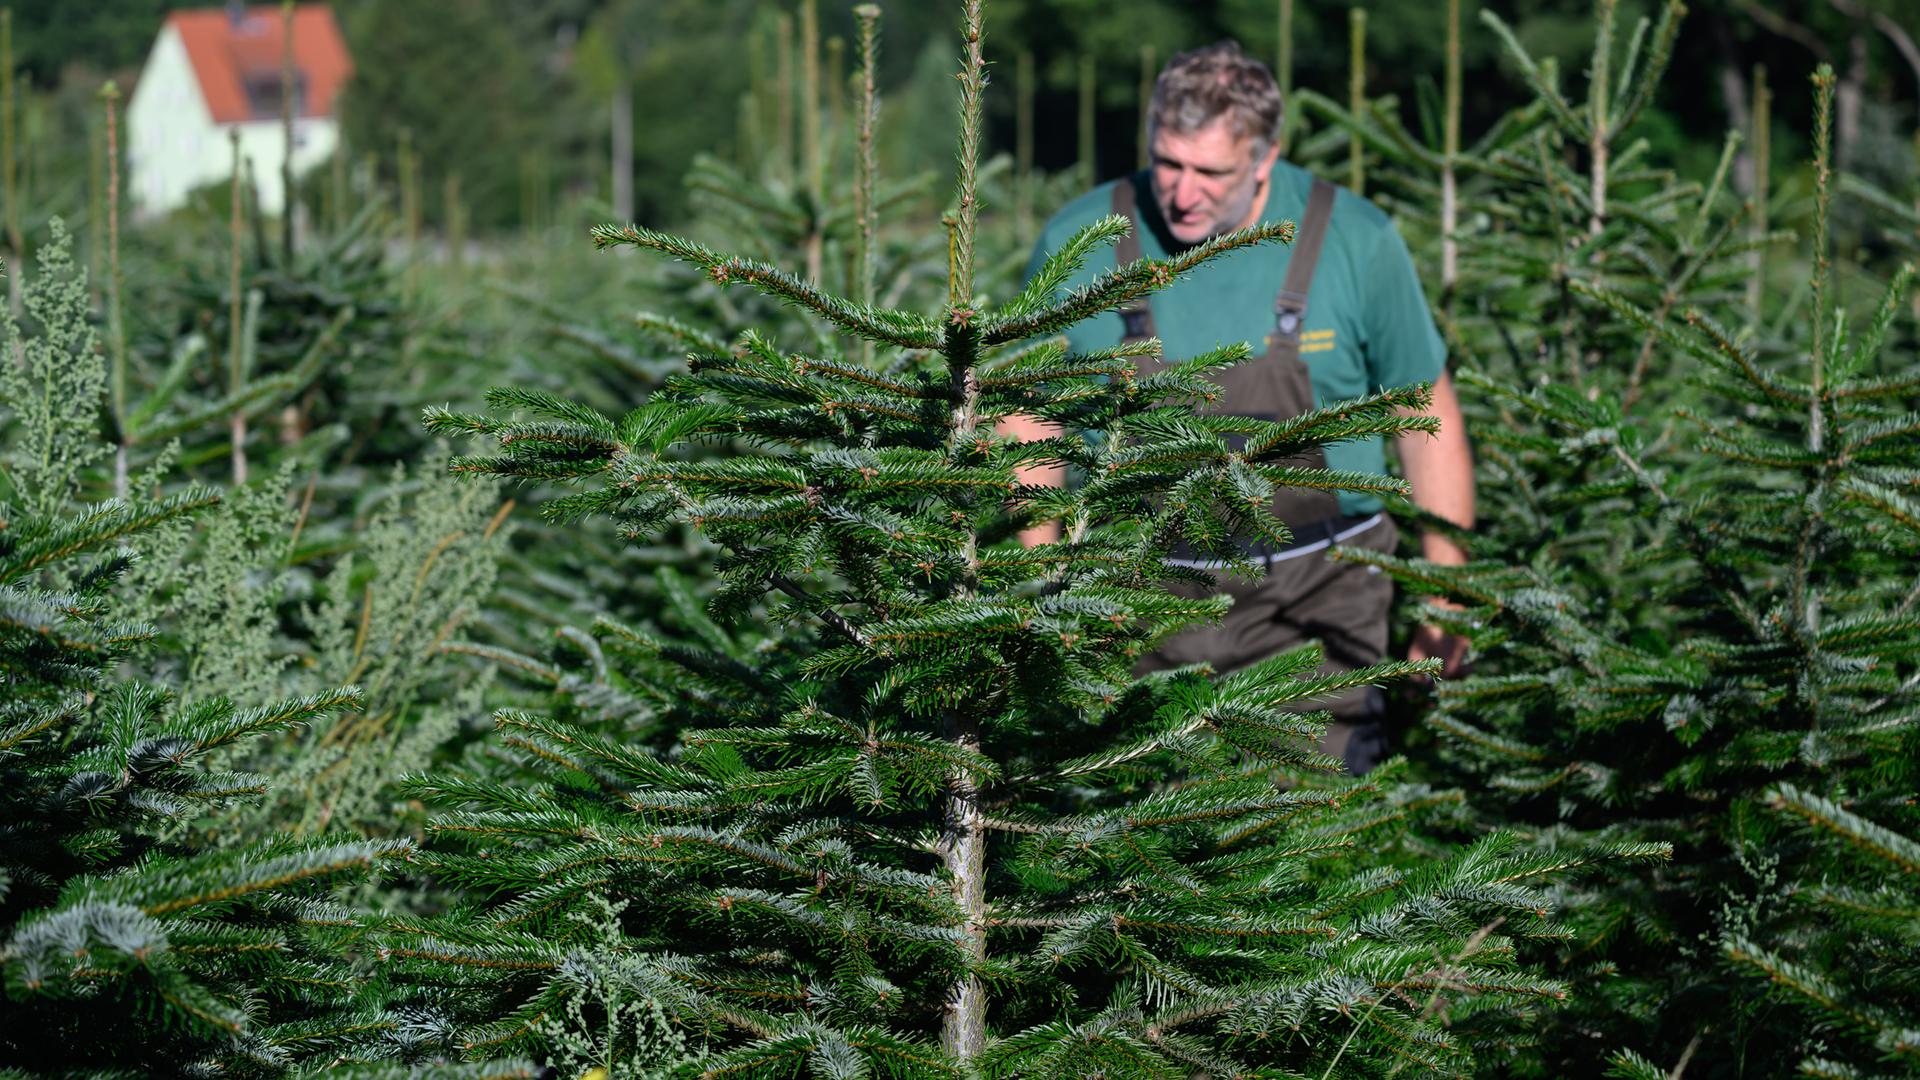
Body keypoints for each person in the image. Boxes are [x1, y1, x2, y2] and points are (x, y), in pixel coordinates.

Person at [1001, 41, 1474, 774]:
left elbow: (1424, 407)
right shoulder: (1082, 242)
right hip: (1138, 605)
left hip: (1322, 599)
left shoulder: (1355, 240)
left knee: (1321, 840)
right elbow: (1030, 417)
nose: (1182, 192)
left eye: (1210, 172)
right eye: (1167, 163)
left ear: (1266, 157)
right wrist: (1048, 585)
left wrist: (1448, 587)